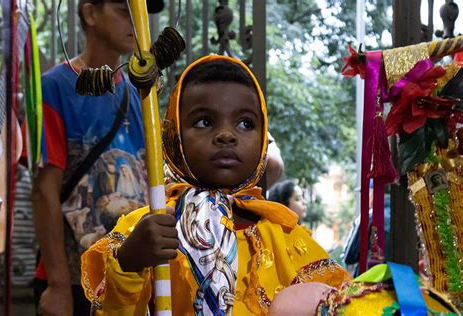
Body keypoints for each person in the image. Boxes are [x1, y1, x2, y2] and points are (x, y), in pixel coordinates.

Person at [81, 55, 351, 315]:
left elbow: (339, 303)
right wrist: (129, 264)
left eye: (245, 123)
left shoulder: (285, 235)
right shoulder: (150, 226)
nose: (226, 135)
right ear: (174, 136)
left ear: (263, 138)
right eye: (204, 122)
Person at [27, 0, 149, 314]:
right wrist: (57, 284)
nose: (136, 24)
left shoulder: (138, 93)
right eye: (125, 12)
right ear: (90, 13)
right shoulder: (54, 88)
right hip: (74, 280)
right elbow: (44, 190)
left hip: (128, 273)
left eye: (140, 15)